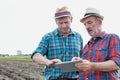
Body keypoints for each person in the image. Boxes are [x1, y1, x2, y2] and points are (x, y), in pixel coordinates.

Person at [31, 6, 83, 80]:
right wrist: (47, 62)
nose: (64, 26)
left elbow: (83, 57)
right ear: (56, 22)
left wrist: (79, 59)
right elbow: (35, 55)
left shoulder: (78, 37)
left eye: (66, 22)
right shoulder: (48, 37)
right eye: (60, 23)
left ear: (71, 19)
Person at [72, 8, 120, 80]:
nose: (87, 27)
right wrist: (78, 62)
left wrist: (91, 65)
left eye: (89, 22)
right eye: (85, 24)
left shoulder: (112, 38)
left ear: (99, 22)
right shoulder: (86, 46)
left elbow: (116, 64)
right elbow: (84, 68)